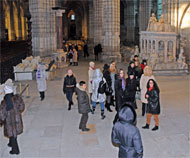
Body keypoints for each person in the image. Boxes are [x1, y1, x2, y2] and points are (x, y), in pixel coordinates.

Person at [0, 79, 25, 155]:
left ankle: (15, 150)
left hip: (9, 122)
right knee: (13, 133)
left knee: (12, 133)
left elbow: (2, 115)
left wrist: (1, 121)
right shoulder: (17, 98)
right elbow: (22, 107)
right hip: (17, 120)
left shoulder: (4, 102)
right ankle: (10, 143)